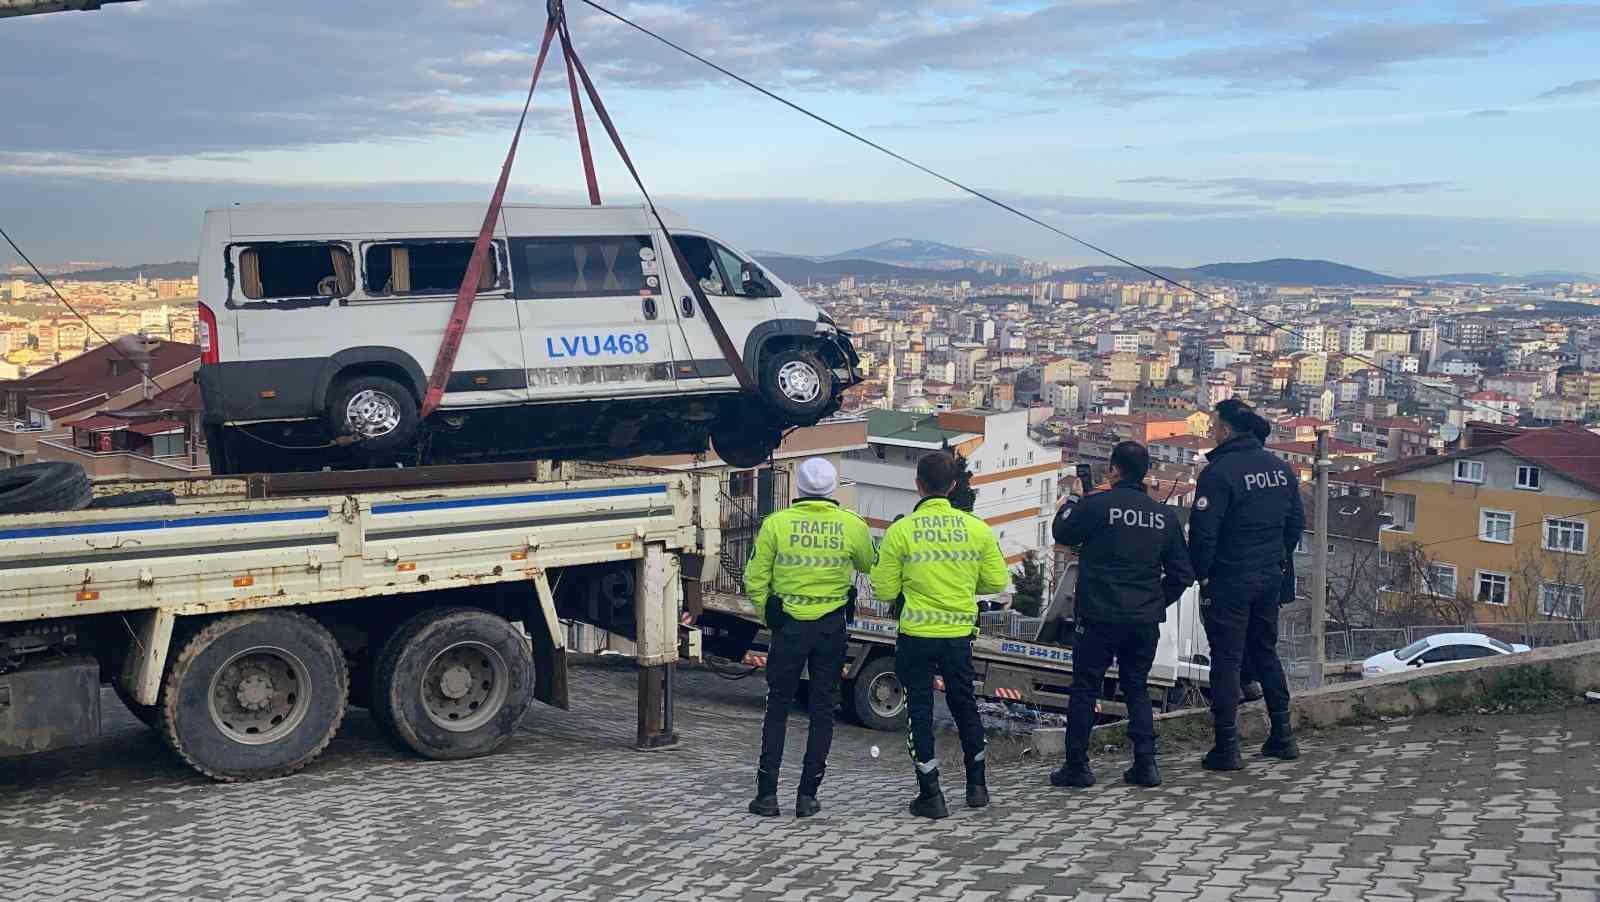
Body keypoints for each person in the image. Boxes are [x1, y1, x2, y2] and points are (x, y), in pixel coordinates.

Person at [871, 451, 1010, 819]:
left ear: (918, 485)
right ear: (953, 486)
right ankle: (977, 786)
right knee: (965, 705)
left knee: (919, 710)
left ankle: (931, 794)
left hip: (916, 635)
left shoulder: (901, 531)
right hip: (958, 636)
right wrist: (965, 581)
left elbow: (884, 591)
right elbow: (996, 582)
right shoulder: (976, 529)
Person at [1049, 441, 1194, 788]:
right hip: (1143, 620)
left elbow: (1062, 532)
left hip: (1098, 616)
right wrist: (1155, 602)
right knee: (1137, 688)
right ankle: (1146, 764)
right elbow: (1183, 575)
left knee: (1085, 688)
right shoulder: (1164, 516)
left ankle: (1078, 767)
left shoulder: (1097, 505)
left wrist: (1074, 497)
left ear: (1114, 470)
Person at [744, 458, 876, 818]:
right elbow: (868, 563)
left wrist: (766, 612)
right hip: (831, 628)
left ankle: (767, 795)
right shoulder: (851, 525)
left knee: (778, 707)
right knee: (822, 709)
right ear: (833, 489)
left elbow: (754, 577)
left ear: (797, 489)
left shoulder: (776, 524)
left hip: (787, 628)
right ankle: (807, 796)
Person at [1189, 398, 1305, 771]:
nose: (1210, 432)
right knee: (1265, 651)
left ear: (1225, 430)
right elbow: (1295, 525)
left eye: (1213, 426)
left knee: (1226, 661)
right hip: (1269, 576)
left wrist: (1202, 575)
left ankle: (1227, 746)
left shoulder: (1218, 472)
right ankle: (1282, 736)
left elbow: (1204, 534)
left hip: (1229, 579)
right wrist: (1275, 558)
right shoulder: (1281, 469)